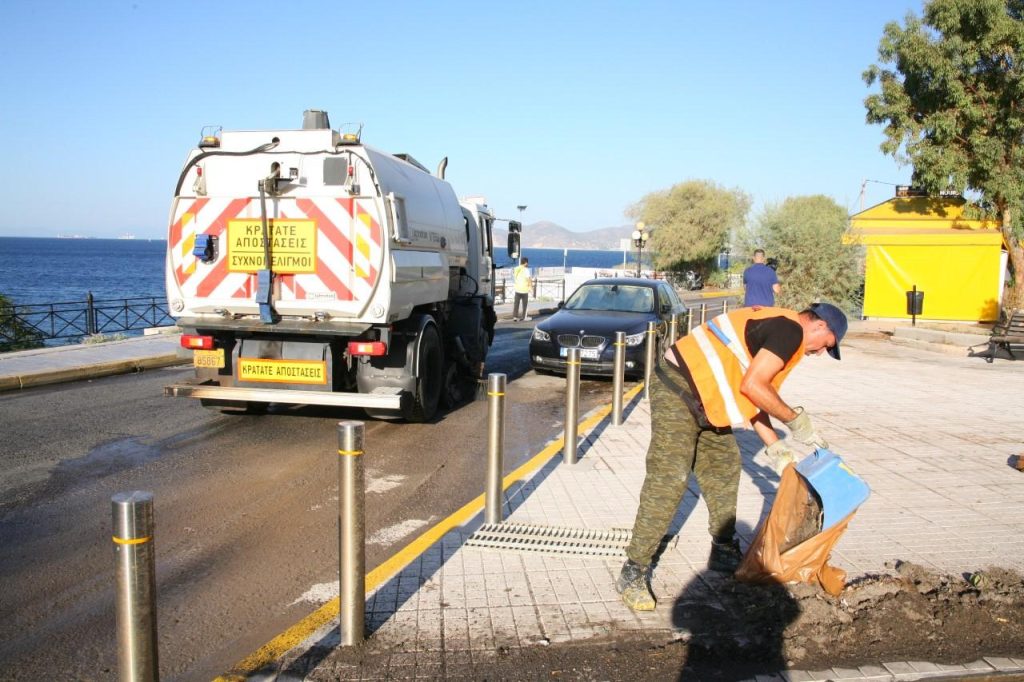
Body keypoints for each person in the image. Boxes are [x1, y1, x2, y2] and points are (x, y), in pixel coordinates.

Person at [616, 302, 848, 612]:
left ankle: (723, 549)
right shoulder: (790, 330)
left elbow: (755, 393)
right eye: (826, 345)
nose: (819, 353)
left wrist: (775, 448)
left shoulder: (780, 326)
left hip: (707, 397)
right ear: (820, 326)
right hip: (678, 387)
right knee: (670, 478)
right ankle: (634, 568)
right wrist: (795, 421)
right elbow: (753, 386)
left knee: (725, 467)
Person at [512, 257, 532, 321]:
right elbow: (528, 279)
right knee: (525, 305)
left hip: (517, 289)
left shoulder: (516, 269)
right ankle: (524, 317)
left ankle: (515, 317)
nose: (527, 264)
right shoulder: (526, 270)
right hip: (524, 289)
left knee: (516, 304)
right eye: (527, 263)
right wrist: (530, 287)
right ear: (525, 263)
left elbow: (514, 277)